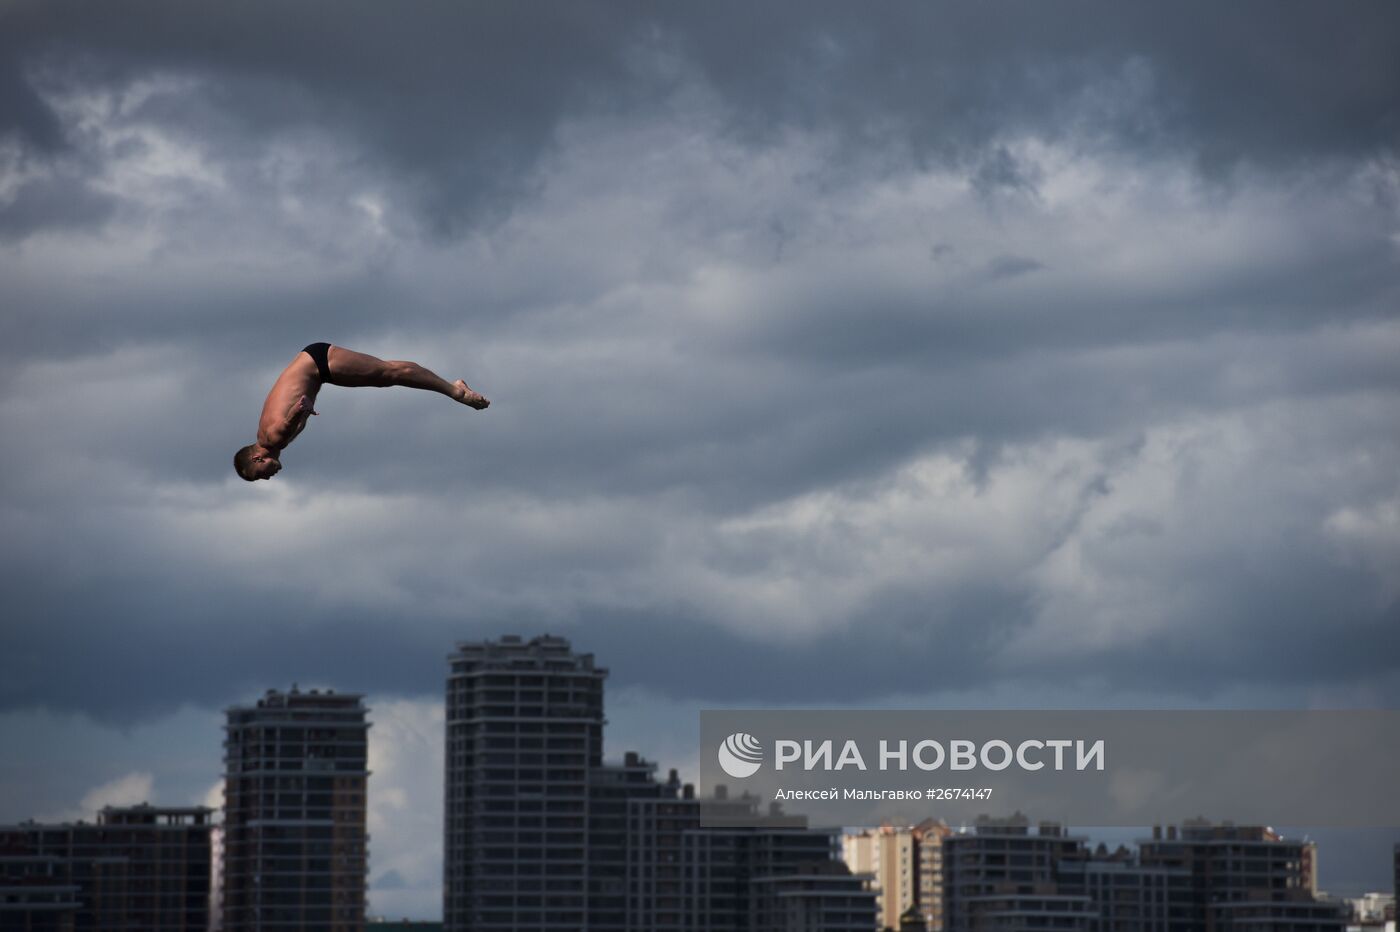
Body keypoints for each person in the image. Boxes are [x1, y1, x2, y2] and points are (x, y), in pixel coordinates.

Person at [234, 342, 489, 481]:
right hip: (317, 368)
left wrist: (300, 410)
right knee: (386, 376)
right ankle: (452, 389)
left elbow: (284, 426)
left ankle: (456, 391)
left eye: (260, 476)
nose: (267, 479)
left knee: (391, 373)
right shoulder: (264, 435)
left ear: (257, 459)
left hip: (317, 365)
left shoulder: (272, 440)